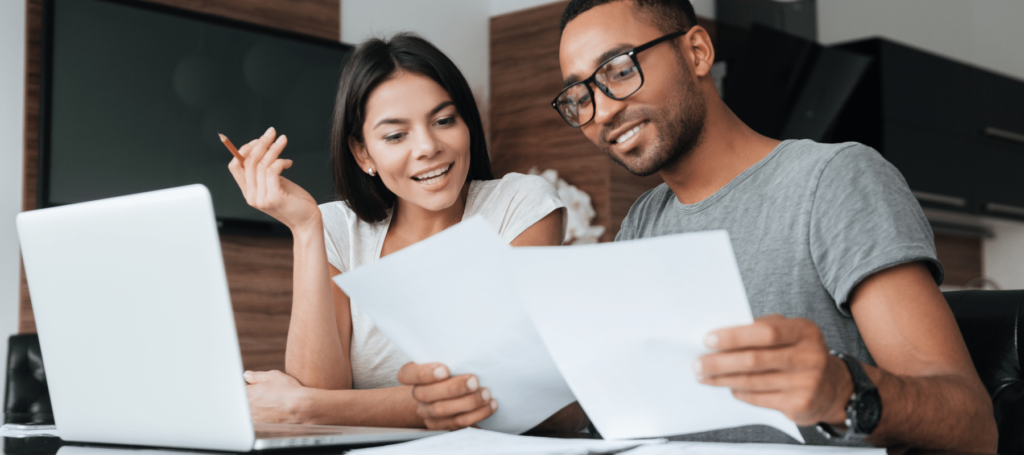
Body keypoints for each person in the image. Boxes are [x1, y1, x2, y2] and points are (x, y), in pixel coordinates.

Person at [400, 0, 998, 451]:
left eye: (618, 69)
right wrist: (475, 397)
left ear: (696, 52)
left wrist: (843, 389)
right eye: (578, 96)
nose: (601, 109)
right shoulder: (643, 222)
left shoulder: (833, 179)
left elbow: (973, 426)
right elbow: (605, 413)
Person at [227, 33, 584, 431]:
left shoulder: (520, 205)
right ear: (363, 153)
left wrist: (307, 408)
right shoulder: (337, 227)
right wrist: (305, 228)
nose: (428, 146)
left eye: (444, 120)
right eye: (396, 135)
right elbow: (319, 387)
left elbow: (498, 391)